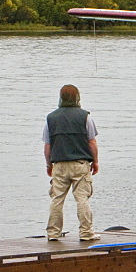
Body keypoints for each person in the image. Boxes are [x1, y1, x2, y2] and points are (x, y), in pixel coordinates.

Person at [43, 85, 99, 242]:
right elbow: (92, 142)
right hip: (80, 164)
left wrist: (49, 165)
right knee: (82, 199)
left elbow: (47, 146)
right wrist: (95, 162)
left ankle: (53, 234)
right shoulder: (85, 117)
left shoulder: (51, 118)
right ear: (77, 98)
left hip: (59, 164)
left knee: (57, 199)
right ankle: (86, 233)